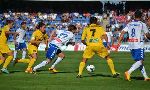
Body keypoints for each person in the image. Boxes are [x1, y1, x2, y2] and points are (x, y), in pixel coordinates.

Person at [117, 10, 150, 81]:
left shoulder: (129, 24)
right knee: (140, 61)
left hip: (131, 45)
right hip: (138, 44)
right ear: (141, 16)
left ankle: (146, 76)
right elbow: (148, 35)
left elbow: (122, 32)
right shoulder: (142, 24)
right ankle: (128, 72)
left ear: (134, 16)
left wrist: (118, 43)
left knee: (139, 61)